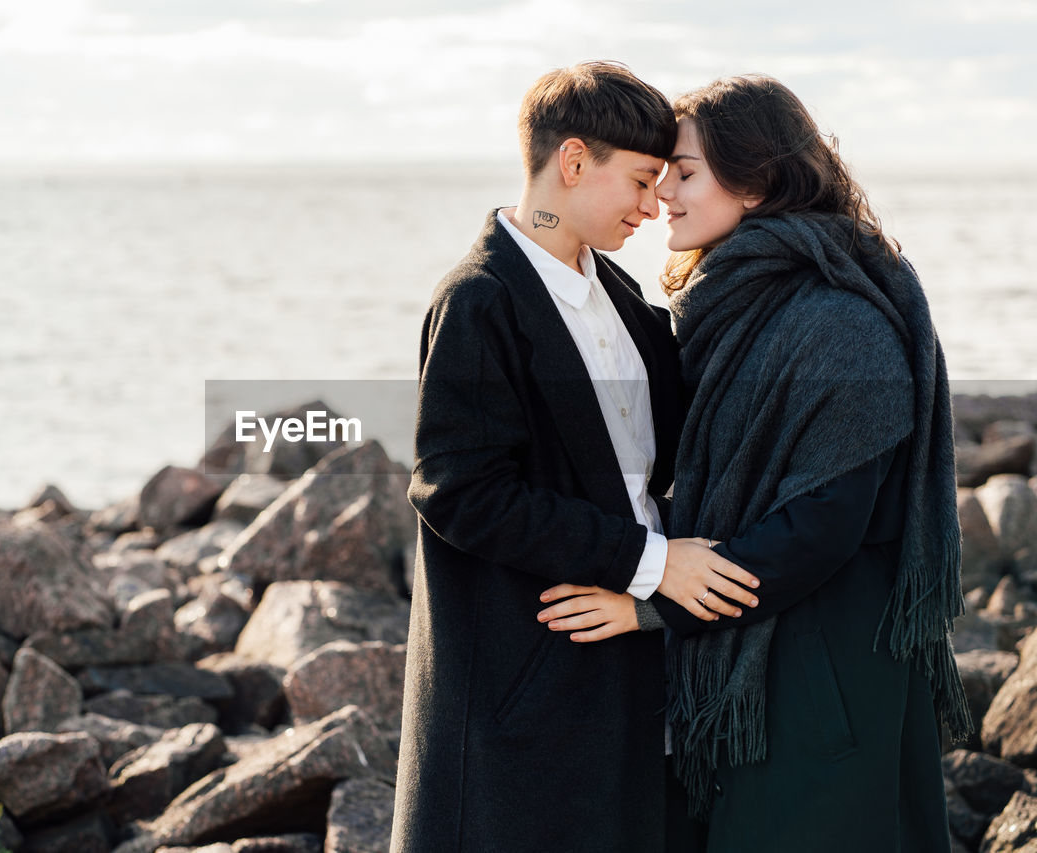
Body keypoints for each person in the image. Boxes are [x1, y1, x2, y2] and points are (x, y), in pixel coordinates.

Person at [539, 75, 971, 852]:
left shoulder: (841, 322)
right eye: (663, 171)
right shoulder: (723, 306)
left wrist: (652, 602)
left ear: (758, 180)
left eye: (686, 170)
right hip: (750, 652)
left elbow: (820, 529)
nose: (663, 190)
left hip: (825, 670)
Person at [391, 61, 759, 853]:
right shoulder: (478, 301)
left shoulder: (624, 299)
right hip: (521, 672)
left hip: (625, 656)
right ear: (573, 161)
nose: (652, 204)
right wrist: (649, 562)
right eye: (639, 179)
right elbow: (460, 491)